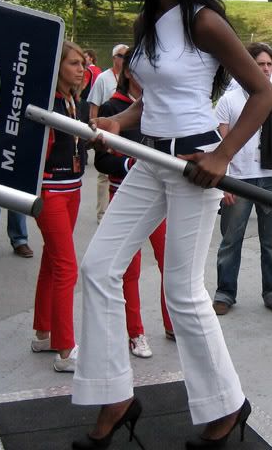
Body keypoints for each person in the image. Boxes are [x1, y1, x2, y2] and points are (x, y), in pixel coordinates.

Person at [71, 0, 272, 450]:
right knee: (98, 268)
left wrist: (223, 156)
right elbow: (151, 99)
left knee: (181, 291)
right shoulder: (147, 25)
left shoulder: (204, 22)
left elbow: (263, 93)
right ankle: (114, 393)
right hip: (149, 160)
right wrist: (117, 122)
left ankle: (226, 406)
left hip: (192, 164)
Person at [94, 51, 174, 355]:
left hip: (159, 198)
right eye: (141, 71)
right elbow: (101, 161)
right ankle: (135, 332)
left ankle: (171, 323)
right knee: (130, 269)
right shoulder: (112, 107)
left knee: (170, 261)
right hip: (124, 194)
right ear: (128, 72)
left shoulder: (160, 105)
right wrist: (133, 166)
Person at [212, 42, 272, 317]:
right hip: (237, 180)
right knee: (230, 241)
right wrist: (223, 181)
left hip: (271, 179)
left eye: (269, 65)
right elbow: (219, 142)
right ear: (247, 66)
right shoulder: (229, 100)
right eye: (260, 64)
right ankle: (225, 293)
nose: (266, 69)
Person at [30, 40, 86, 373]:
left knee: (52, 263)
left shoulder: (74, 100)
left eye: (82, 64)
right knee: (67, 267)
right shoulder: (46, 103)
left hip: (73, 189)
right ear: (58, 67)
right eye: (74, 64)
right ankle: (65, 351)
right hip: (51, 191)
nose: (81, 69)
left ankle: (43, 333)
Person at [88, 44, 130, 223]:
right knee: (104, 176)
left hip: (124, 129)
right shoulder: (103, 78)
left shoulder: (133, 80)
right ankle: (102, 214)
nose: (123, 59)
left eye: (126, 56)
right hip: (107, 126)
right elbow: (94, 107)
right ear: (114, 58)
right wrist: (94, 131)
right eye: (121, 56)